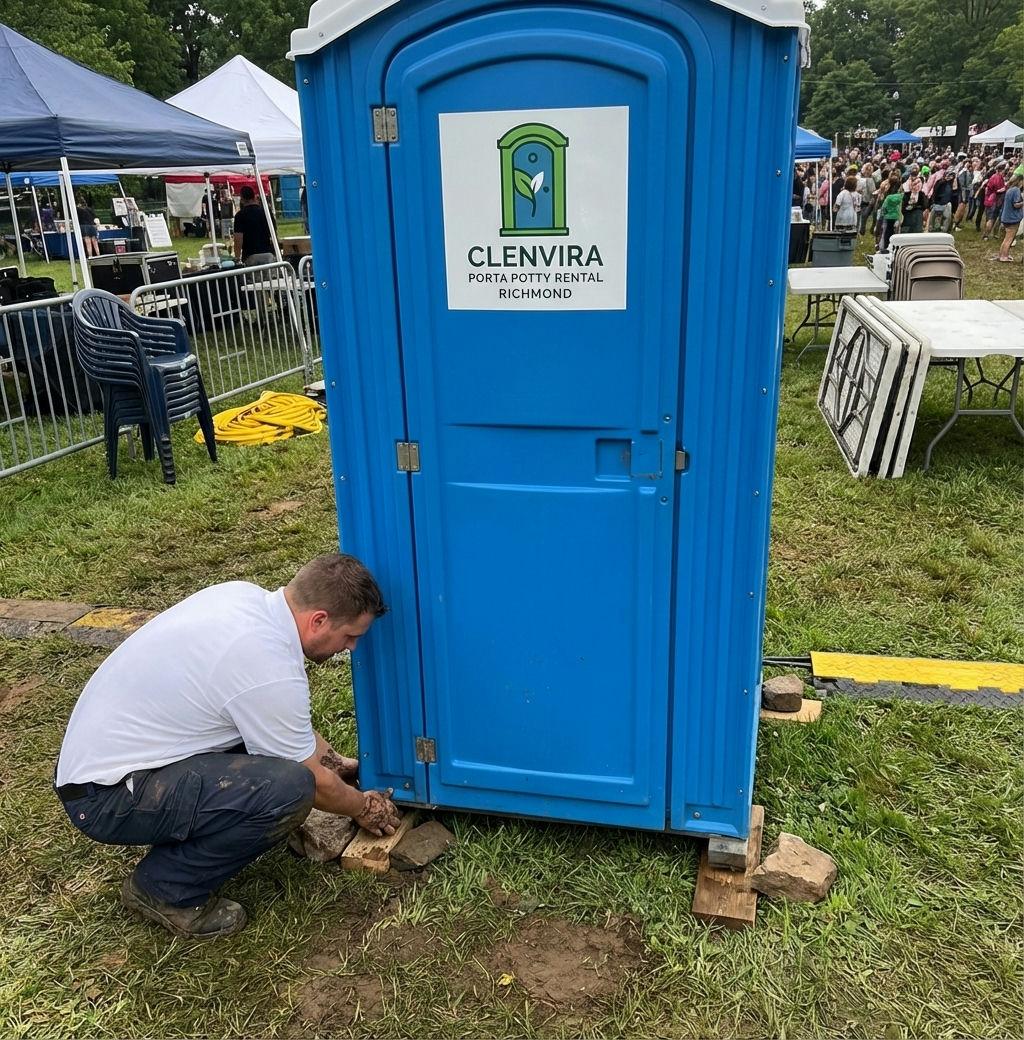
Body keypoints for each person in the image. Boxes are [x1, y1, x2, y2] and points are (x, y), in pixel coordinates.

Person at [54, 553, 400, 940]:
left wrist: (336, 763)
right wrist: (363, 807)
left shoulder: (244, 599)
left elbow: (283, 730)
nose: (351, 647)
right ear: (318, 620)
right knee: (291, 788)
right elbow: (314, 781)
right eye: (350, 635)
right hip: (107, 797)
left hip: (107, 762)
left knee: (286, 766)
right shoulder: (266, 668)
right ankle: (164, 890)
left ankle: (192, 835)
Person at [233, 184, 277, 265]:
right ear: (254, 197)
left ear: (242, 199)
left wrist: (237, 258)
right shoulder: (267, 213)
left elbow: (238, 239)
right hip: (268, 255)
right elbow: (274, 233)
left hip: (250, 257)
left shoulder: (239, 216)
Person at [994, 174, 1022, 262]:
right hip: (1013, 218)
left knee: (1006, 238)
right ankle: (1004, 257)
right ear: (1020, 181)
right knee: (1009, 239)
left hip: (1006, 216)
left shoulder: (1009, 189)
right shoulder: (1016, 190)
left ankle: (1001, 254)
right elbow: (1016, 204)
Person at [982, 162, 1008, 241]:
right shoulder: (997, 178)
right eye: (1004, 170)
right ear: (1001, 170)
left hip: (990, 199)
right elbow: (998, 190)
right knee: (991, 218)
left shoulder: (995, 177)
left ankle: (985, 234)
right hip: (993, 200)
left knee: (989, 218)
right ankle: (986, 235)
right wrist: (1005, 187)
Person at [878, 174, 904, 252]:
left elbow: (884, 207)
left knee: (887, 233)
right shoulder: (901, 196)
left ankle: (886, 247)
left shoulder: (888, 197)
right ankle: (895, 248)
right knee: (896, 233)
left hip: (888, 217)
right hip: (897, 217)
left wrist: (882, 216)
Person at [901, 167, 927, 233]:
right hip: (909, 210)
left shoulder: (910, 183)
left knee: (915, 229)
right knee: (909, 228)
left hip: (916, 209)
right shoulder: (907, 183)